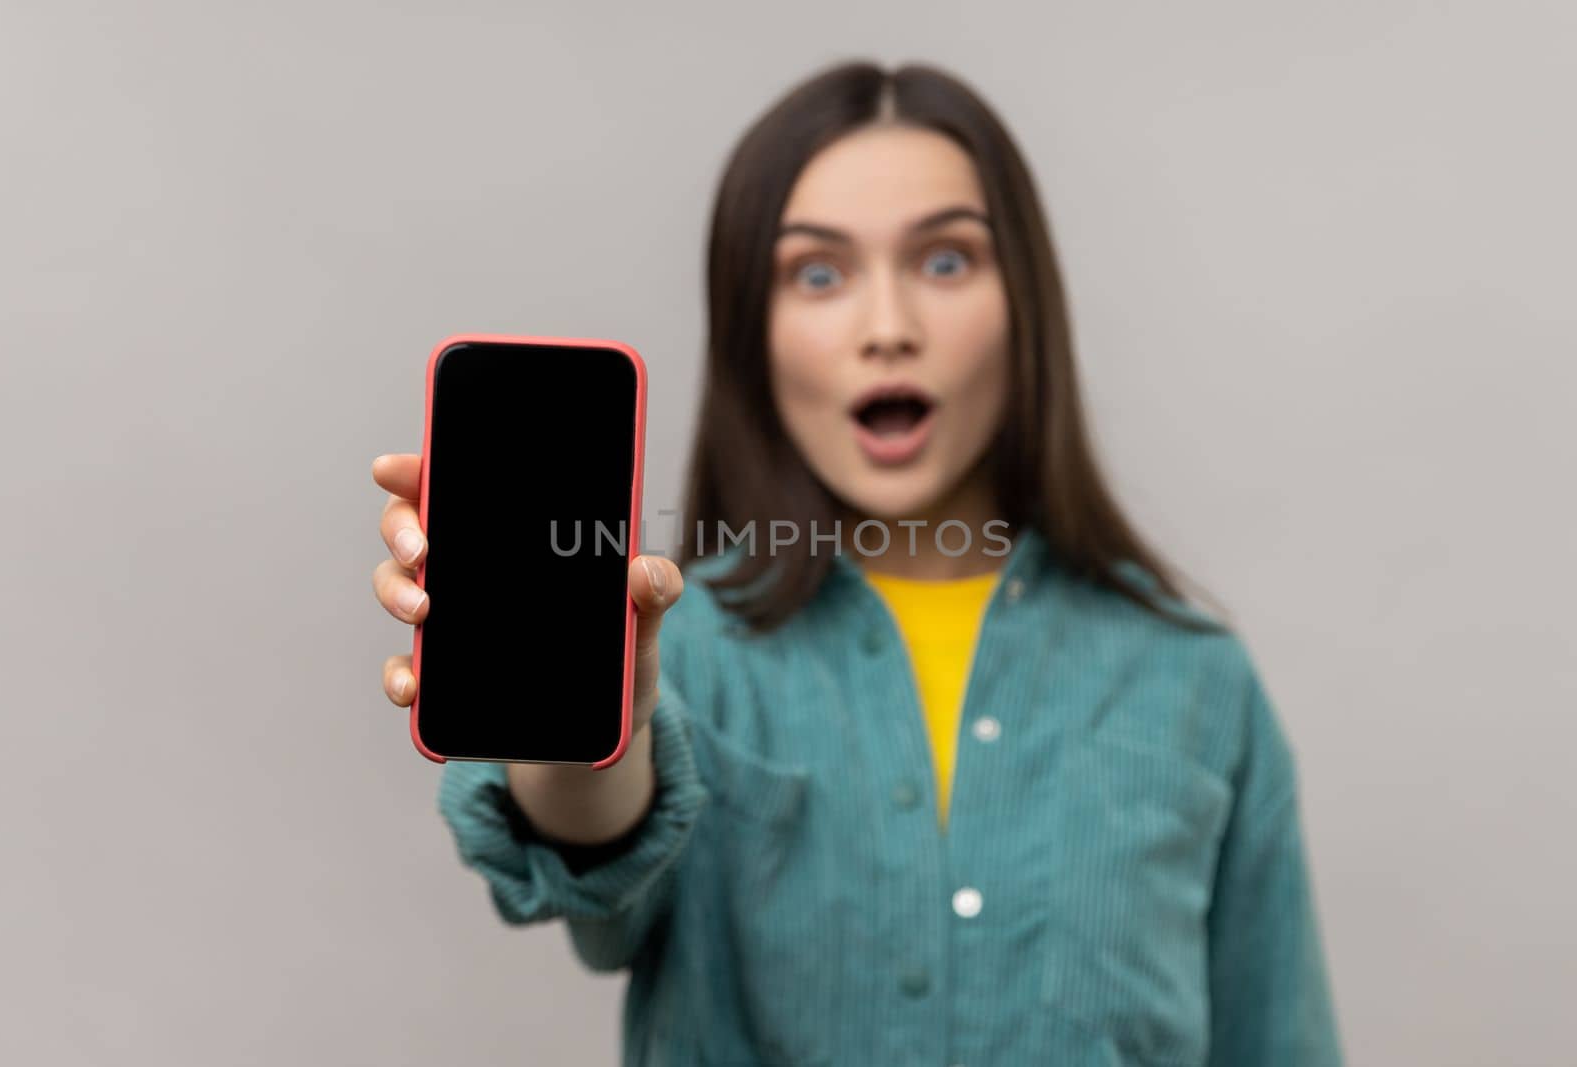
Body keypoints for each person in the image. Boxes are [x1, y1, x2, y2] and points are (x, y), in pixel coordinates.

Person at [370, 60, 1342, 1066]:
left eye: (948, 261)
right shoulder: (679, 647)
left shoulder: (1194, 678)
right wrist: (577, 709)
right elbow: (587, 867)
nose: (888, 329)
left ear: (1027, 304)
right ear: (755, 328)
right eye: (819, 274)